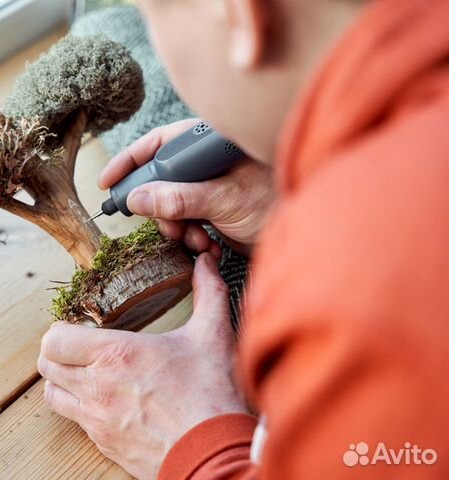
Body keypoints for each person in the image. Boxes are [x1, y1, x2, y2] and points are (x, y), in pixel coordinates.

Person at [37, 0, 449, 478]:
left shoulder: (354, 303)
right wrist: (301, 190)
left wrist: (199, 443)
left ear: (237, 14)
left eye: (153, 16)